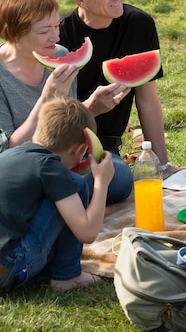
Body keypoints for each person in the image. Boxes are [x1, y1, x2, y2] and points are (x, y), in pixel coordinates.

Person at [60, 0, 177, 204]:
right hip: (62, 146)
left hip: (104, 148)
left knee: (120, 180)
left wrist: (164, 166)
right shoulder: (60, 37)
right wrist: (90, 110)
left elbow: (148, 101)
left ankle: (58, 190)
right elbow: (51, 119)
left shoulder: (140, 25)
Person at [0, 97, 114, 293]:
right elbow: (87, 233)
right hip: (9, 268)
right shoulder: (50, 167)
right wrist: (101, 183)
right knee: (76, 183)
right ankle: (67, 275)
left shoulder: (11, 155)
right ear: (79, 150)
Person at [0, 0, 78, 153]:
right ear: (15, 34)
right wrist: (47, 99)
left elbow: (67, 130)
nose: (56, 37)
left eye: (57, 26)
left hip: (60, 161)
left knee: (120, 175)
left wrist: (93, 107)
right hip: (18, 170)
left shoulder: (60, 55)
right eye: (44, 31)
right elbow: (7, 154)